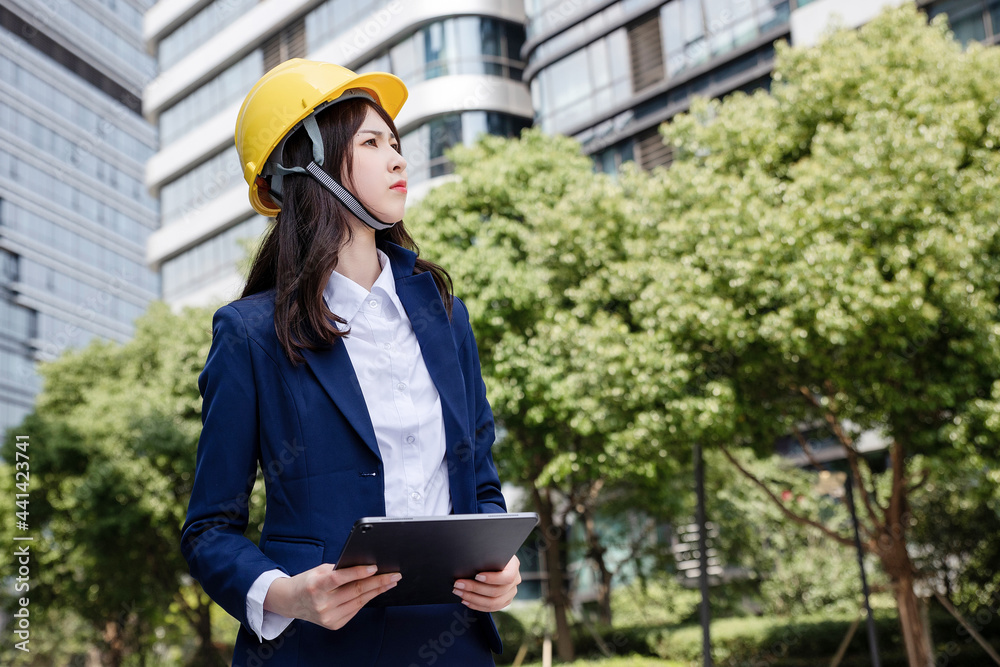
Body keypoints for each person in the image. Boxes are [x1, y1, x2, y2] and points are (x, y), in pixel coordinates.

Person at [181, 58, 521, 666]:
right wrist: (286, 595)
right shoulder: (250, 334)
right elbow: (210, 529)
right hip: (317, 650)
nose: (398, 159)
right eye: (372, 142)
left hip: (454, 644)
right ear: (306, 162)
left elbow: (481, 479)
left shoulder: (447, 316)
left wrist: (497, 561)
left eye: (396, 143)